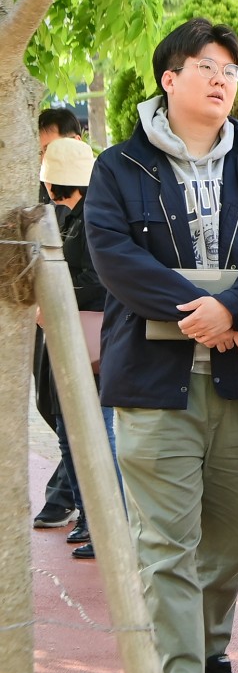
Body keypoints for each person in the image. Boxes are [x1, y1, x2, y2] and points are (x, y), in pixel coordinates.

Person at [86, 17, 238, 673]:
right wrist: (203, 311)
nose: (221, 80)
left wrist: (232, 309)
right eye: (207, 66)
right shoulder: (120, 167)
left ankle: (210, 654)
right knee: (167, 541)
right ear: (169, 78)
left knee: (227, 537)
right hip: (154, 383)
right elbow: (115, 259)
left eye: (231, 71)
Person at [35, 137, 122, 561]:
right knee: (70, 432)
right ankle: (91, 518)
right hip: (71, 339)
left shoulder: (91, 220)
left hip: (89, 340)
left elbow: (99, 283)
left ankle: (109, 522)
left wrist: (54, 295)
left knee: (96, 433)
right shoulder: (70, 217)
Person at [33, 108, 89, 531]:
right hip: (51, 319)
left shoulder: (95, 201)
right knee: (51, 406)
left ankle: (74, 500)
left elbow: (98, 278)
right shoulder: (44, 192)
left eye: (50, 149)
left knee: (82, 419)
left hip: (87, 326)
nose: (46, 160)